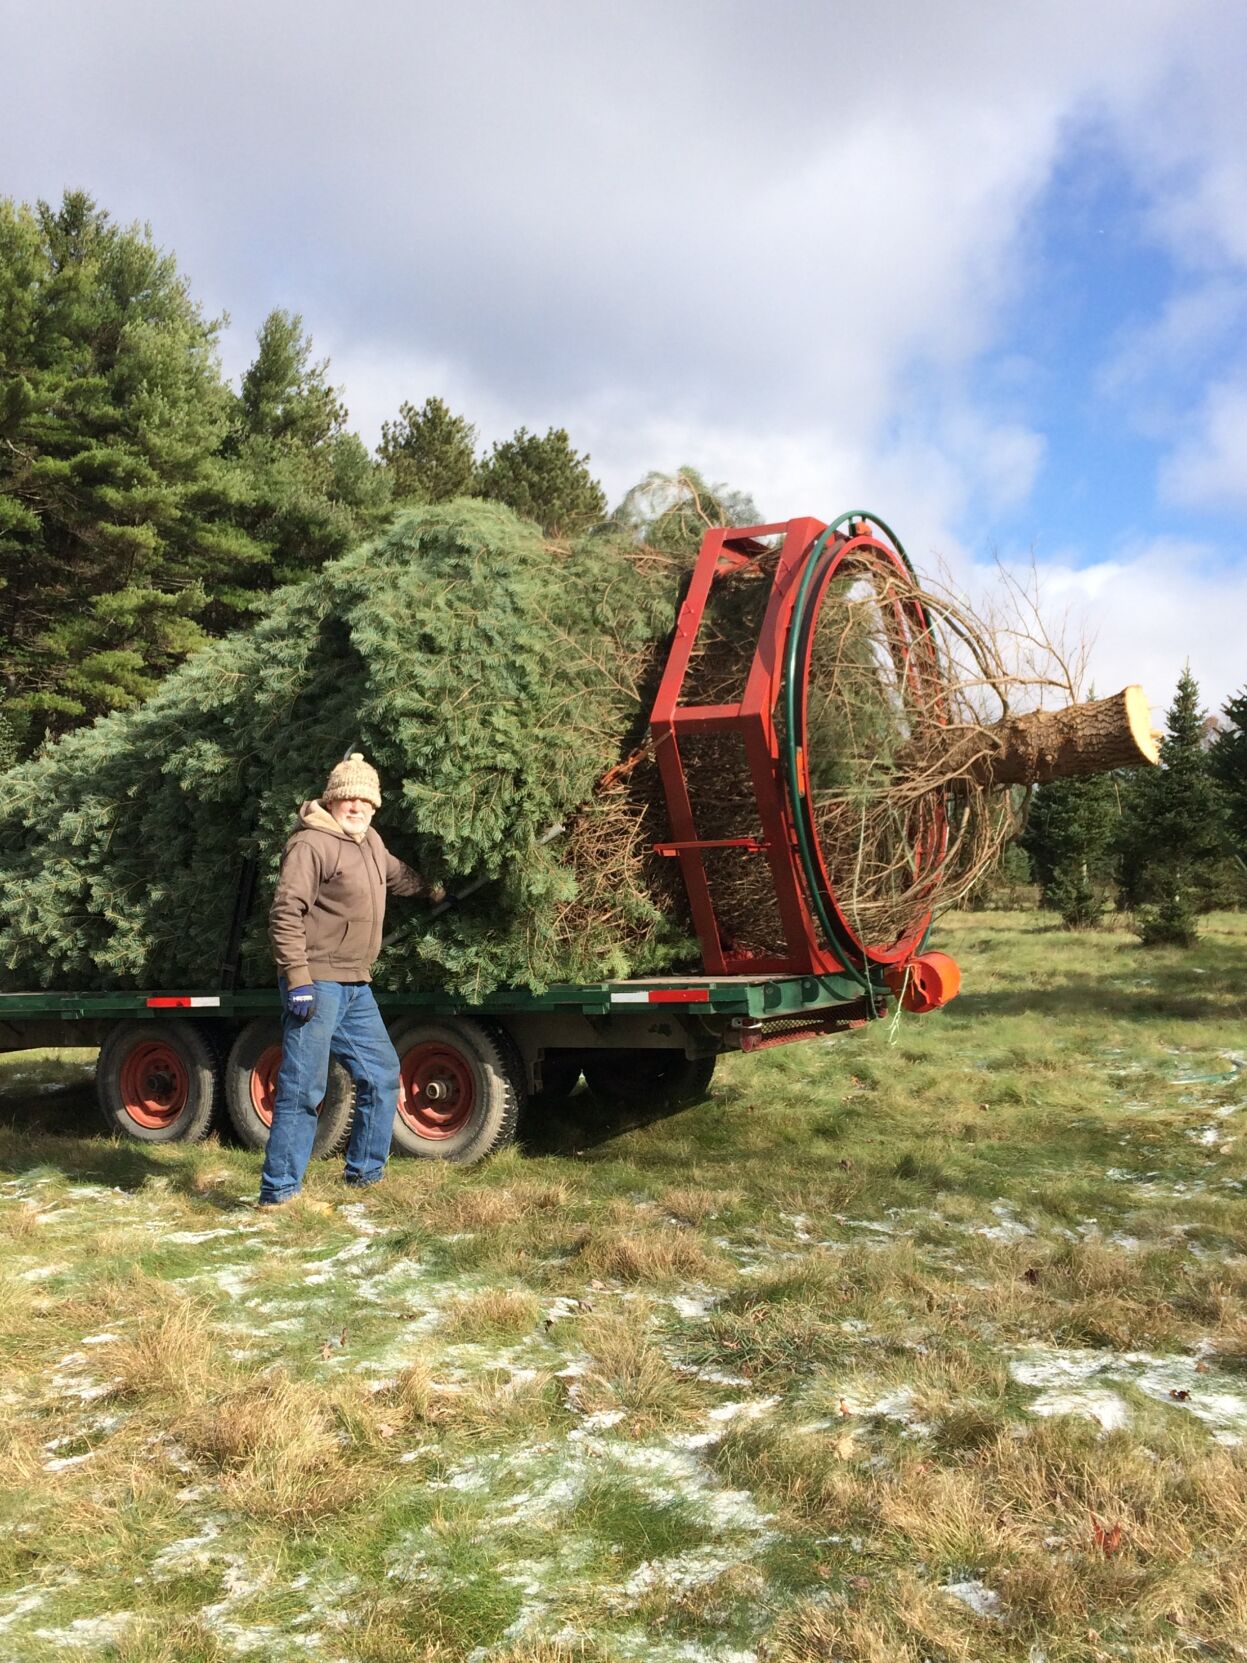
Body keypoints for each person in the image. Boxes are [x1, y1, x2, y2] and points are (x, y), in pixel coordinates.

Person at [260, 752, 445, 1205]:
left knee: (382, 1076)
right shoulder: (311, 844)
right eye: (349, 799)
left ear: (375, 805)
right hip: (317, 983)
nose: (357, 806)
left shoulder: (370, 842)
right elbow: (286, 913)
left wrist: (436, 890)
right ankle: (279, 1193)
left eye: (366, 800)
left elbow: (396, 875)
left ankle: (365, 1177)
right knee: (304, 1088)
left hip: (355, 986)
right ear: (333, 799)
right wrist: (297, 978)